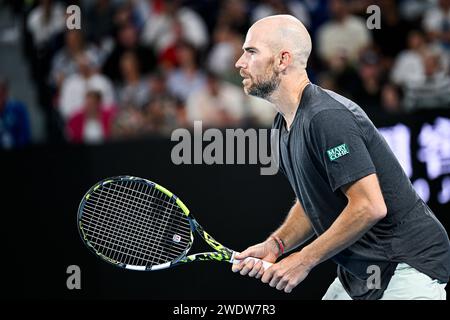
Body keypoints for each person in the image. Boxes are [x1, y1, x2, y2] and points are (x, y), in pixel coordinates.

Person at [232, 14, 450, 300]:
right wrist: (278, 245)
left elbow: (370, 206)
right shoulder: (282, 126)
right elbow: (312, 202)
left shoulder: (326, 117)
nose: (239, 62)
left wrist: (303, 259)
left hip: (406, 266)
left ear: (283, 60)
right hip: (361, 275)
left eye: (251, 52)